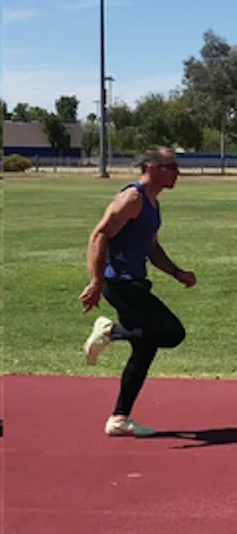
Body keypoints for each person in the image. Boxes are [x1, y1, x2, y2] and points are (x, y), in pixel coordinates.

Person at [79, 146, 194, 437]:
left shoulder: (153, 203)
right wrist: (95, 281)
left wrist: (177, 272)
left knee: (146, 345)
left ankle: (119, 418)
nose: (177, 173)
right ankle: (111, 331)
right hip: (120, 283)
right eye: (171, 167)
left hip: (135, 281)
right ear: (152, 168)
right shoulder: (132, 198)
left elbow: (151, 248)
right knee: (172, 332)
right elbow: (99, 235)